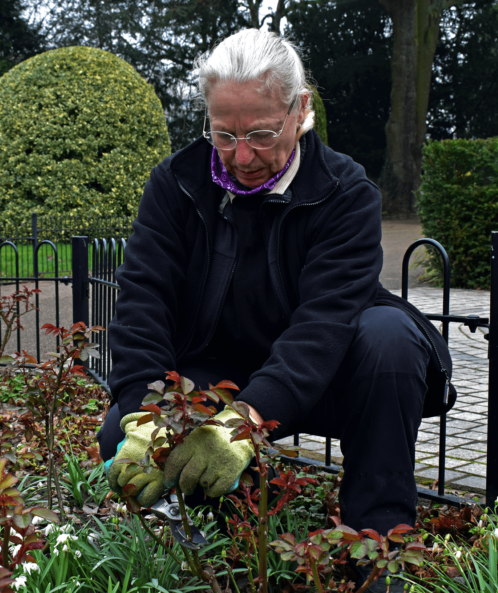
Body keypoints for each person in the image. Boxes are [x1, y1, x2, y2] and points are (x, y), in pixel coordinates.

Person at [98, 28, 456, 590]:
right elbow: (144, 301)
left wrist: (242, 424)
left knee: (388, 338)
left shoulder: (346, 191)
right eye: (224, 135)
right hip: (215, 370)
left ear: (300, 110)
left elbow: (324, 323)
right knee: (121, 428)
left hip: (329, 375)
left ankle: (377, 553)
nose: (242, 157)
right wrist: (146, 415)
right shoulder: (175, 184)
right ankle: (228, 554)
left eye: (261, 133)